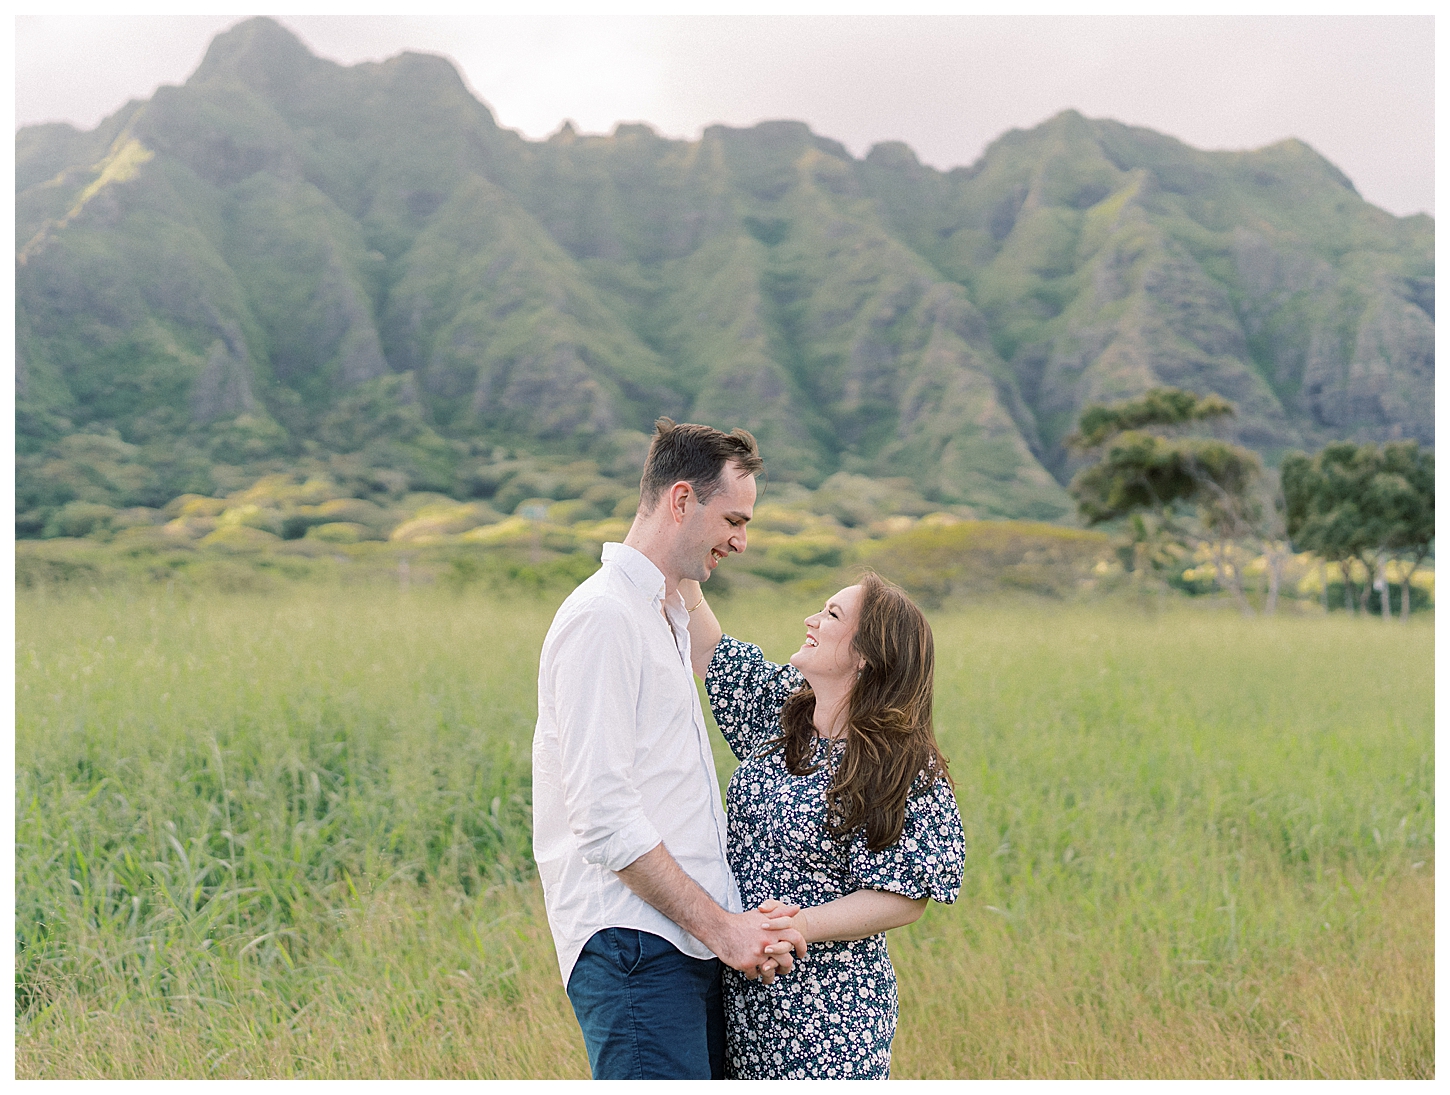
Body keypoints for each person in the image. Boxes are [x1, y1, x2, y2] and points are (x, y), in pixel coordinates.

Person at [532, 418, 807, 1080]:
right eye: (733, 520)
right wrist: (725, 929)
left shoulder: (665, 617)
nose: (741, 541)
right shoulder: (604, 617)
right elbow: (604, 817)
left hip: (679, 945)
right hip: (635, 946)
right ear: (682, 500)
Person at [680, 569, 966, 1079]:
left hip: (831, 1012)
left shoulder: (900, 761)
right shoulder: (785, 712)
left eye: (831, 615)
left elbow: (906, 895)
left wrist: (799, 927)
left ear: (867, 655)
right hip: (742, 995)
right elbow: (709, 649)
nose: (811, 619)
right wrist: (680, 560)